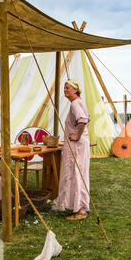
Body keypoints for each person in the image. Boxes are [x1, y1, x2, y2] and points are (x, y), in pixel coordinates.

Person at [55, 79, 91, 221]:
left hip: (77, 145)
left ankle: (80, 210)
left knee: (76, 175)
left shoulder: (75, 103)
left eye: (68, 88)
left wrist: (77, 135)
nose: (65, 90)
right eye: (64, 88)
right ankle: (83, 206)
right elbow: (87, 118)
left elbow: (82, 119)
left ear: (75, 90)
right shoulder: (79, 102)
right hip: (81, 144)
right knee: (80, 174)